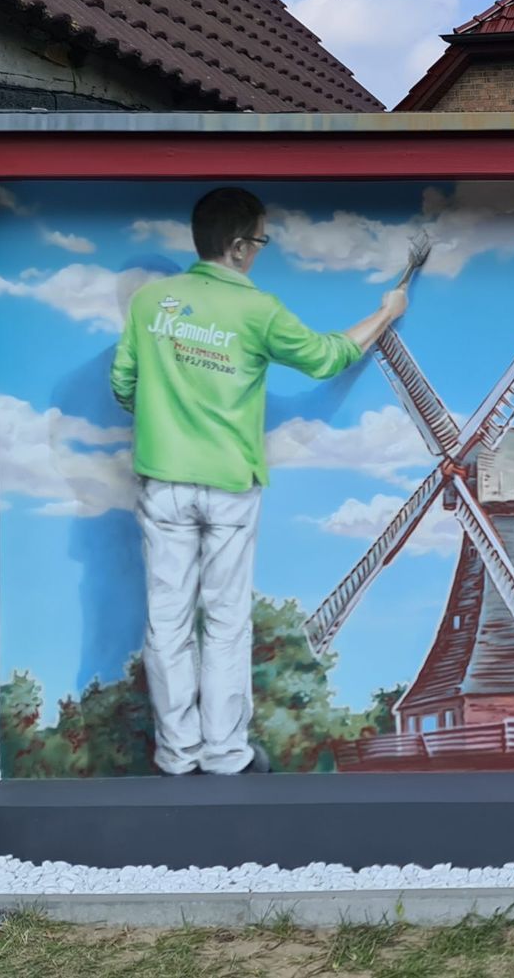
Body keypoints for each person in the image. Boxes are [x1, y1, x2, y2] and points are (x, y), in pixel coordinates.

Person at [110, 187, 408, 775]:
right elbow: (326, 357)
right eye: (262, 241)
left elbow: (124, 384)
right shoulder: (259, 311)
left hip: (162, 482)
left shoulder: (151, 303)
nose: (261, 252)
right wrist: (386, 313)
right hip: (228, 484)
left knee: (166, 620)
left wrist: (164, 419)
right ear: (242, 246)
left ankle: (177, 754)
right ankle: (225, 754)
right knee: (224, 621)